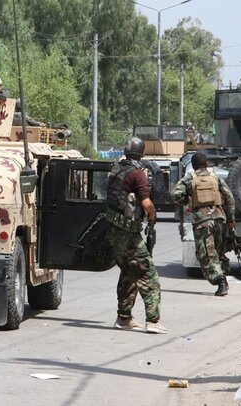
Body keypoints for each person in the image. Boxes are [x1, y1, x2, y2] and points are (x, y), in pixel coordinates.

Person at [105, 137, 166, 334]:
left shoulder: (117, 169)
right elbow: (147, 203)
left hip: (114, 231)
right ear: (142, 153)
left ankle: (124, 318)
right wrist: (152, 216)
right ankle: (153, 321)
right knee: (149, 275)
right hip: (129, 234)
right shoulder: (138, 173)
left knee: (129, 273)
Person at [170, 152, 236, 296]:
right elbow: (229, 198)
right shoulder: (215, 178)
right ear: (207, 164)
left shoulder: (189, 178)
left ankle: (220, 281)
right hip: (220, 219)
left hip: (203, 221)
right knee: (218, 251)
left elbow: (174, 194)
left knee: (206, 254)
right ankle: (223, 275)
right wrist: (231, 220)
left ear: (193, 166)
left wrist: (188, 201)